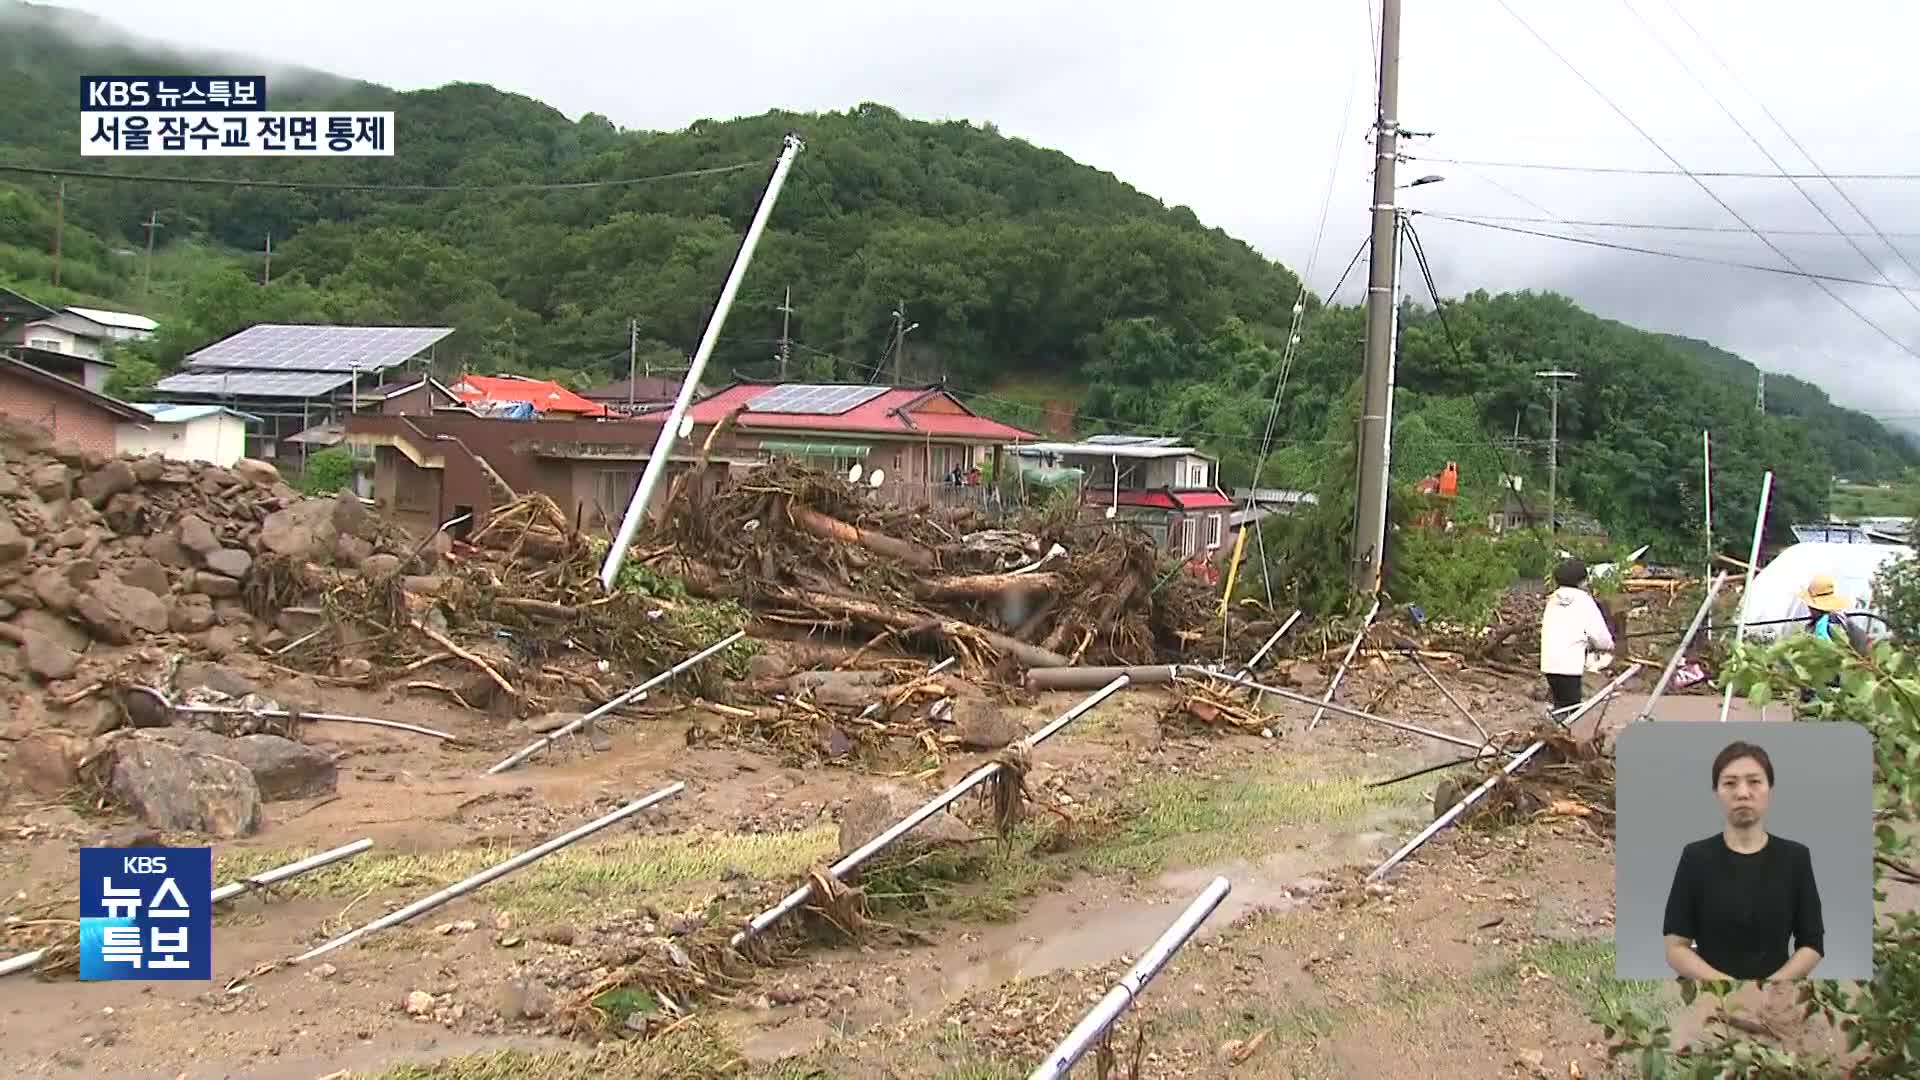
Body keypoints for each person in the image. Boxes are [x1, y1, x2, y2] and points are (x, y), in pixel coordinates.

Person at [1662, 741, 1824, 981]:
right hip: (1709, 993)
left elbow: (1812, 944)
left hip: (1778, 992)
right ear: (1716, 792)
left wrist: (1769, 986)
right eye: (1730, 783)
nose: (1742, 793)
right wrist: (1727, 987)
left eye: (1754, 782)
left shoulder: (1795, 858)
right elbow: (1675, 947)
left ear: (1770, 789)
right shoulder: (1696, 857)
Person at [1539, 557, 1615, 717]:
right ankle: (1560, 737)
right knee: (1572, 711)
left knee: (1560, 704)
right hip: (1570, 666)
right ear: (1581, 581)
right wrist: (1608, 645)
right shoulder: (1584, 600)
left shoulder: (1553, 600)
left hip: (1549, 664)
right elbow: (1599, 634)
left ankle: (1552, 731)